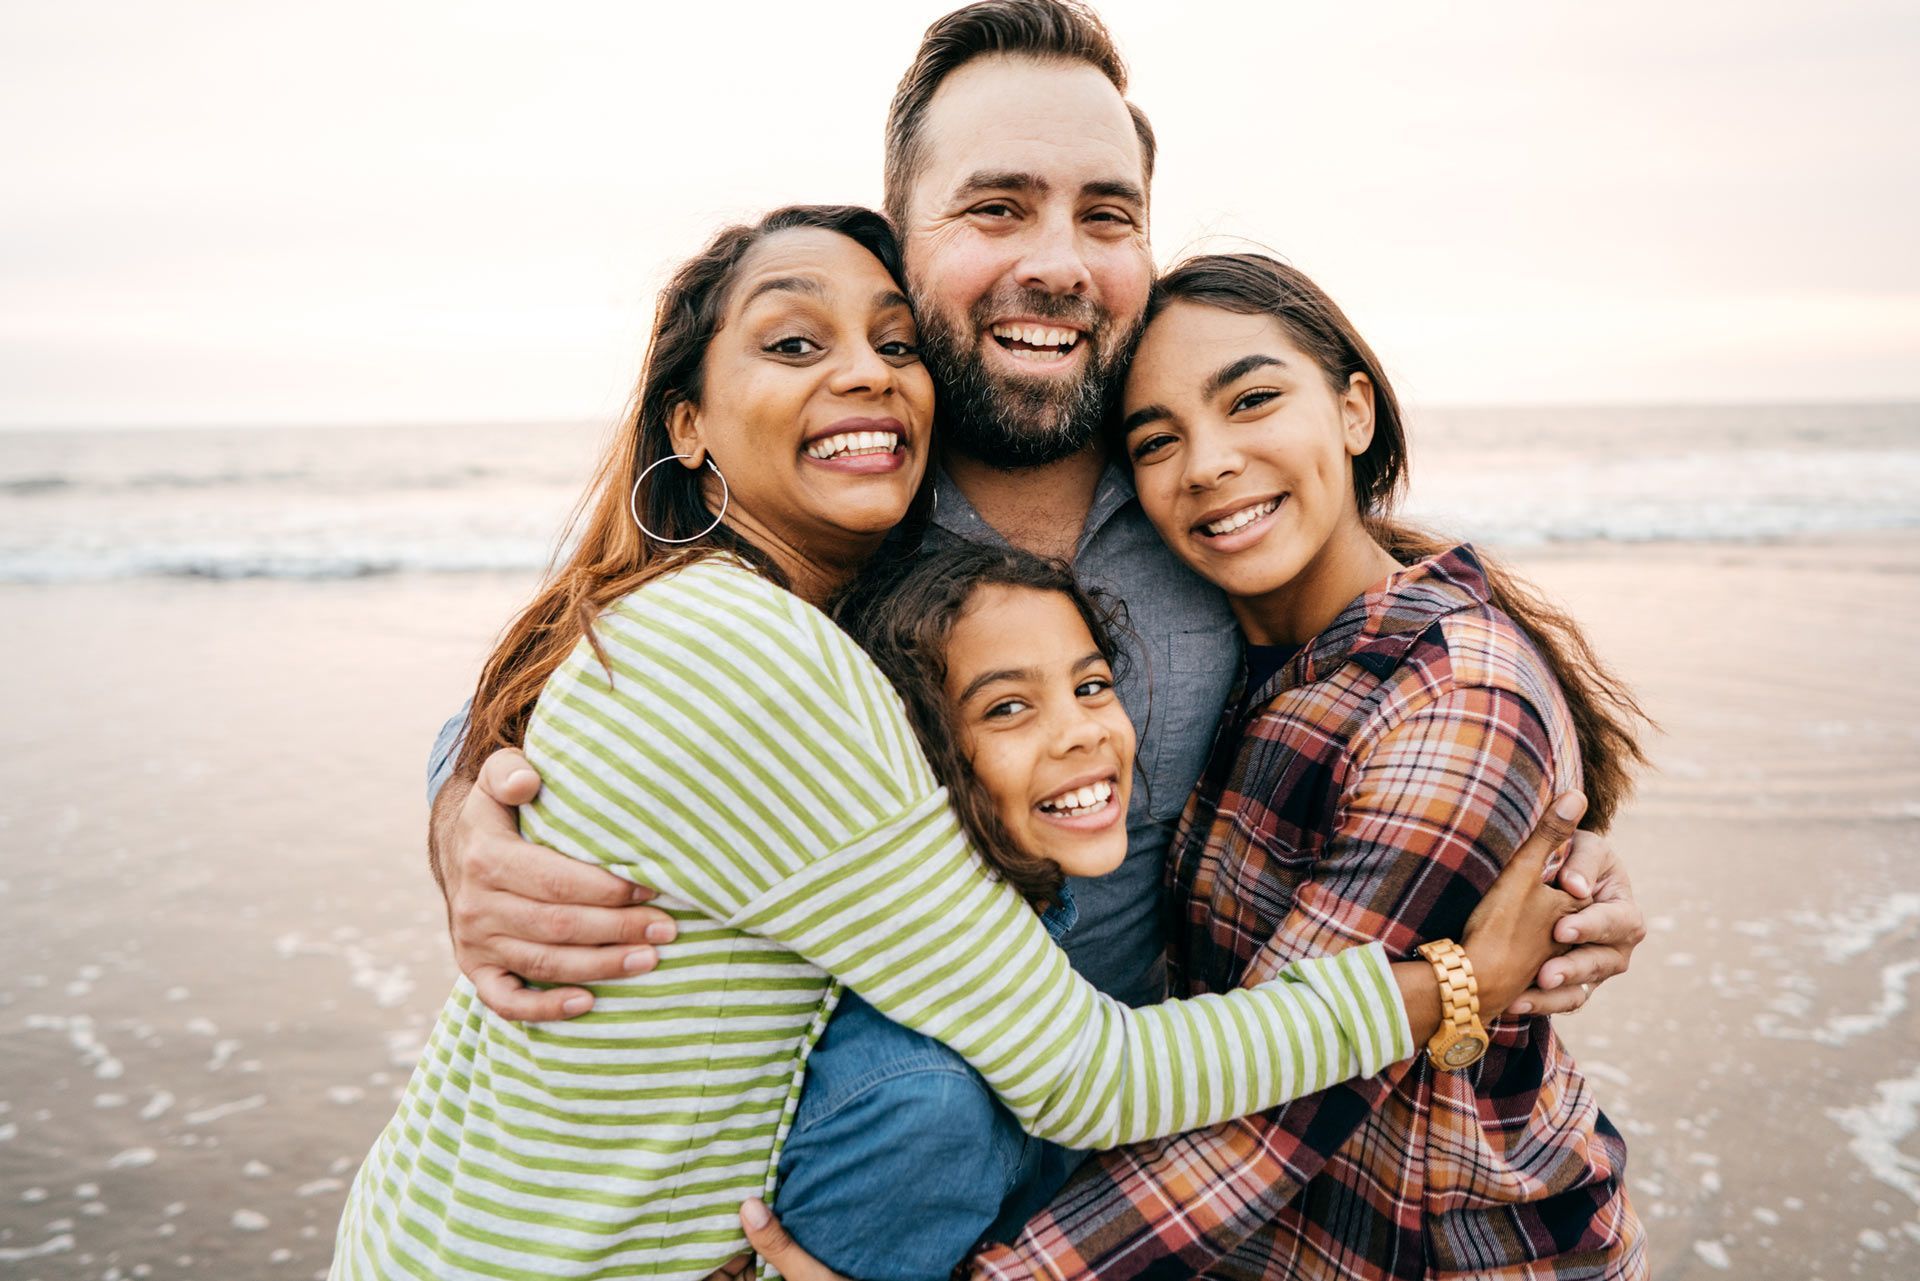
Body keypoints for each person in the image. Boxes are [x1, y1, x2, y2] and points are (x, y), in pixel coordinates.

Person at [426, 0, 1647, 1260]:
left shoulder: (1200, 489)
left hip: (1164, 1168)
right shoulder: (845, 482)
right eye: (998, 207)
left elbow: (1401, 663)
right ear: (901, 237)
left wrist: (1555, 843)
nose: (1057, 262)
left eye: (1106, 215)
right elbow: (565, 687)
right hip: (889, 1175)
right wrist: (466, 830)